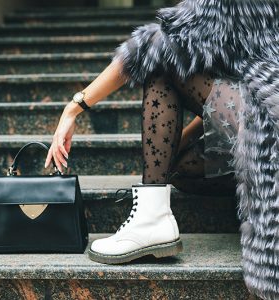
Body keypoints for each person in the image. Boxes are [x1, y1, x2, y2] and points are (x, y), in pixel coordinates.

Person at [44, 0, 276, 273]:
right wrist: (174, 145)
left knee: (161, 64)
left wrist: (73, 108)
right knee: (180, 166)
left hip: (266, 122)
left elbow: (154, 43)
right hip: (264, 115)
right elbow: (235, 85)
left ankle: (152, 220)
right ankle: (157, 211)